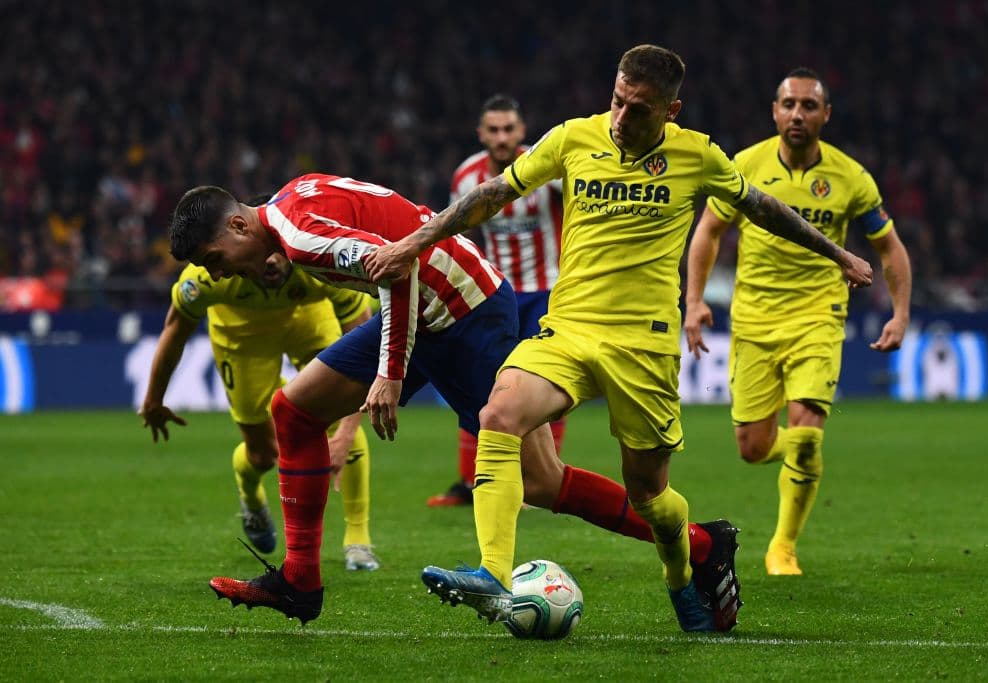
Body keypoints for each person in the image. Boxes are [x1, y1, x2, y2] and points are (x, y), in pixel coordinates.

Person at [364, 44, 873, 633]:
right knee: (499, 414)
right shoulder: (573, 138)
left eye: (639, 109)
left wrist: (838, 254)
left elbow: (763, 207)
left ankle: (685, 571)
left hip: (643, 346)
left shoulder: (698, 155)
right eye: (617, 101)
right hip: (570, 328)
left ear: (671, 111)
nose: (621, 118)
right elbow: (492, 195)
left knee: (651, 498)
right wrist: (412, 243)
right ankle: (493, 574)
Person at [166, 174, 737, 627]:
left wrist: (389, 373)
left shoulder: (299, 236)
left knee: (541, 481)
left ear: (238, 225)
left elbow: (397, 265)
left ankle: (702, 543)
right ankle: (299, 581)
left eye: (216, 258)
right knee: (293, 412)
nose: (222, 273)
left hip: (466, 311)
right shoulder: (292, 204)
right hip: (420, 311)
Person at [684, 68, 912, 576]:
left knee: (808, 434)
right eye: (789, 104)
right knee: (752, 448)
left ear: (825, 115)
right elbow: (709, 231)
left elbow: (889, 247)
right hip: (754, 320)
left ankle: (783, 546)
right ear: (774, 111)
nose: (797, 114)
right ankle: (800, 454)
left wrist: (900, 314)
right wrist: (694, 300)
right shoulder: (746, 165)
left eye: (809, 106)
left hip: (818, 318)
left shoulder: (851, 178)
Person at [139, 245, 382, 571]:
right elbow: (175, 330)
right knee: (262, 455)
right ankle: (251, 494)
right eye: (260, 254)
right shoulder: (208, 276)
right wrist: (153, 399)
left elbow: (365, 356)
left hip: (308, 314)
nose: (269, 260)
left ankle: (358, 542)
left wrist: (347, 432)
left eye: (275, 252)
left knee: (336, 417)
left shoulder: (320, 259)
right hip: (240, 329)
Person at [429, 94, 566, 507]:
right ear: (481, 134)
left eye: (509, 129)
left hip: (545, 292)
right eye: (494, 130)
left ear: (521, 131)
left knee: (544, 387)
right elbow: (459, 235)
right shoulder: (466, 176)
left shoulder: (543, 167)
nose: (502, 137)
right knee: (478, 383)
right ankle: (469, 483)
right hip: (494, 295)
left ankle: (543, 482)